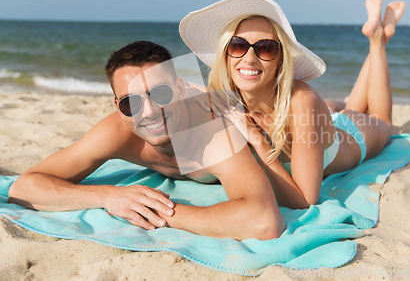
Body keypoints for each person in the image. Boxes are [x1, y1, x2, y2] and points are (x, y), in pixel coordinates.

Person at [8, 41, 285, 241]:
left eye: (160, 94)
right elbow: (24, 187)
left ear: (179, 88)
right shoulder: (118, 131)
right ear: (118, 106)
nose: (150, 112)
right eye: (131, 103)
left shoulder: (213, 130)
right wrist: (109, 196)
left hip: (282, 136)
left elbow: (264, 221)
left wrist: (157, 212)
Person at [179, 0, 406, 209]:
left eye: (265, 48)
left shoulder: (303, 99)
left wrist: (259, 143)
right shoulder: (222, 95)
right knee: (345, 106)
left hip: (352, 136)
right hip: (318, 126)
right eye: (238, 45)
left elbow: (306, 200)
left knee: (383, 121)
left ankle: (377, 39)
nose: (249, 58)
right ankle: (373, 47)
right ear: (226, 54)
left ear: (280, 59)